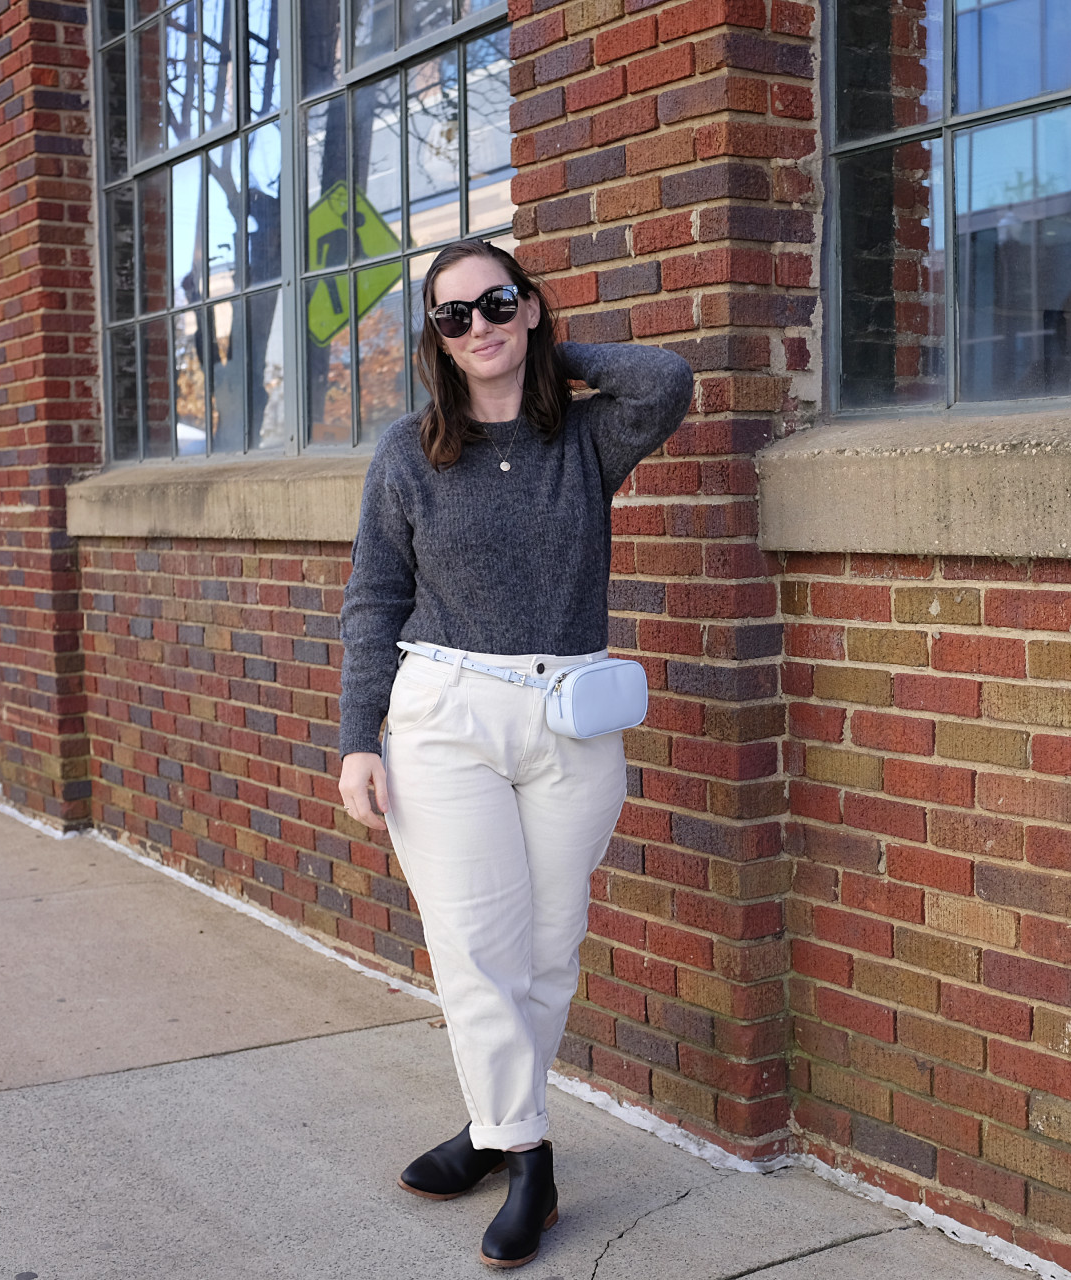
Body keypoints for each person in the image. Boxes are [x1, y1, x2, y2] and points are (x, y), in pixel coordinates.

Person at [336, 239, 694, 1269]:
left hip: (570, 717)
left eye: (496, 303)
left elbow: (667, 380)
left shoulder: (583, 437)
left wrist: (542, 354)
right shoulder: (408, 454)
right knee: (474, 949)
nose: (477, 325)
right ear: (432, 343)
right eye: (453, 318)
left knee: (547, 947)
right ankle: (528, 1156)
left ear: (529, 306)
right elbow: (374, 602)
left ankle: (488, 1128)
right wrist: (360, 737)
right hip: (444, 714)